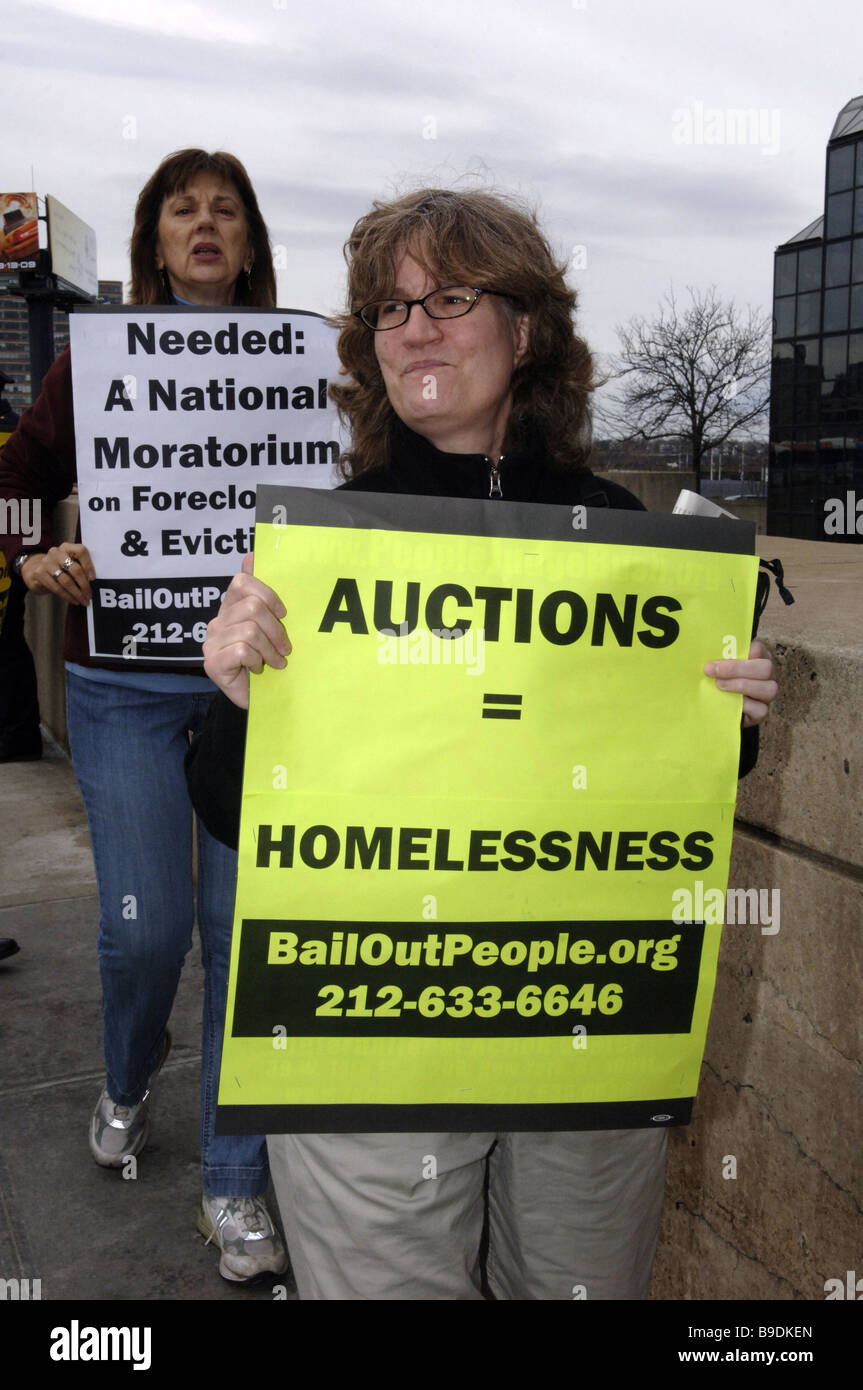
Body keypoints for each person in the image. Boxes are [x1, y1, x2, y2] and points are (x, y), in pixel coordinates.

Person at [186, 187, 779, 1299]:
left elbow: (659, 800)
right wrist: (235, 697)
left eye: (450, 296)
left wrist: (726, 716)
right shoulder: (318, 553)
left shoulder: (633, 547)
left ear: (524, 329)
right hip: (363, 1036)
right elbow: (229, 811)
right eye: (388, 309)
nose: (414, 327)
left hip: (579, 1029)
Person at [0, 150, 288, 1283]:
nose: (205, 226)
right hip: (118, 678)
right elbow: (17, 477)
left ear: (251, 243)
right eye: (183, 211)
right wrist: (35, 555)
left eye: (225, 211)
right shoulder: (93, 361)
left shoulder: (304, 369)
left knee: (241, 943)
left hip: (254, 690)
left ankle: (233, 1186)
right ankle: (129, 1069)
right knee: (142, 929)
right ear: (154, 243)